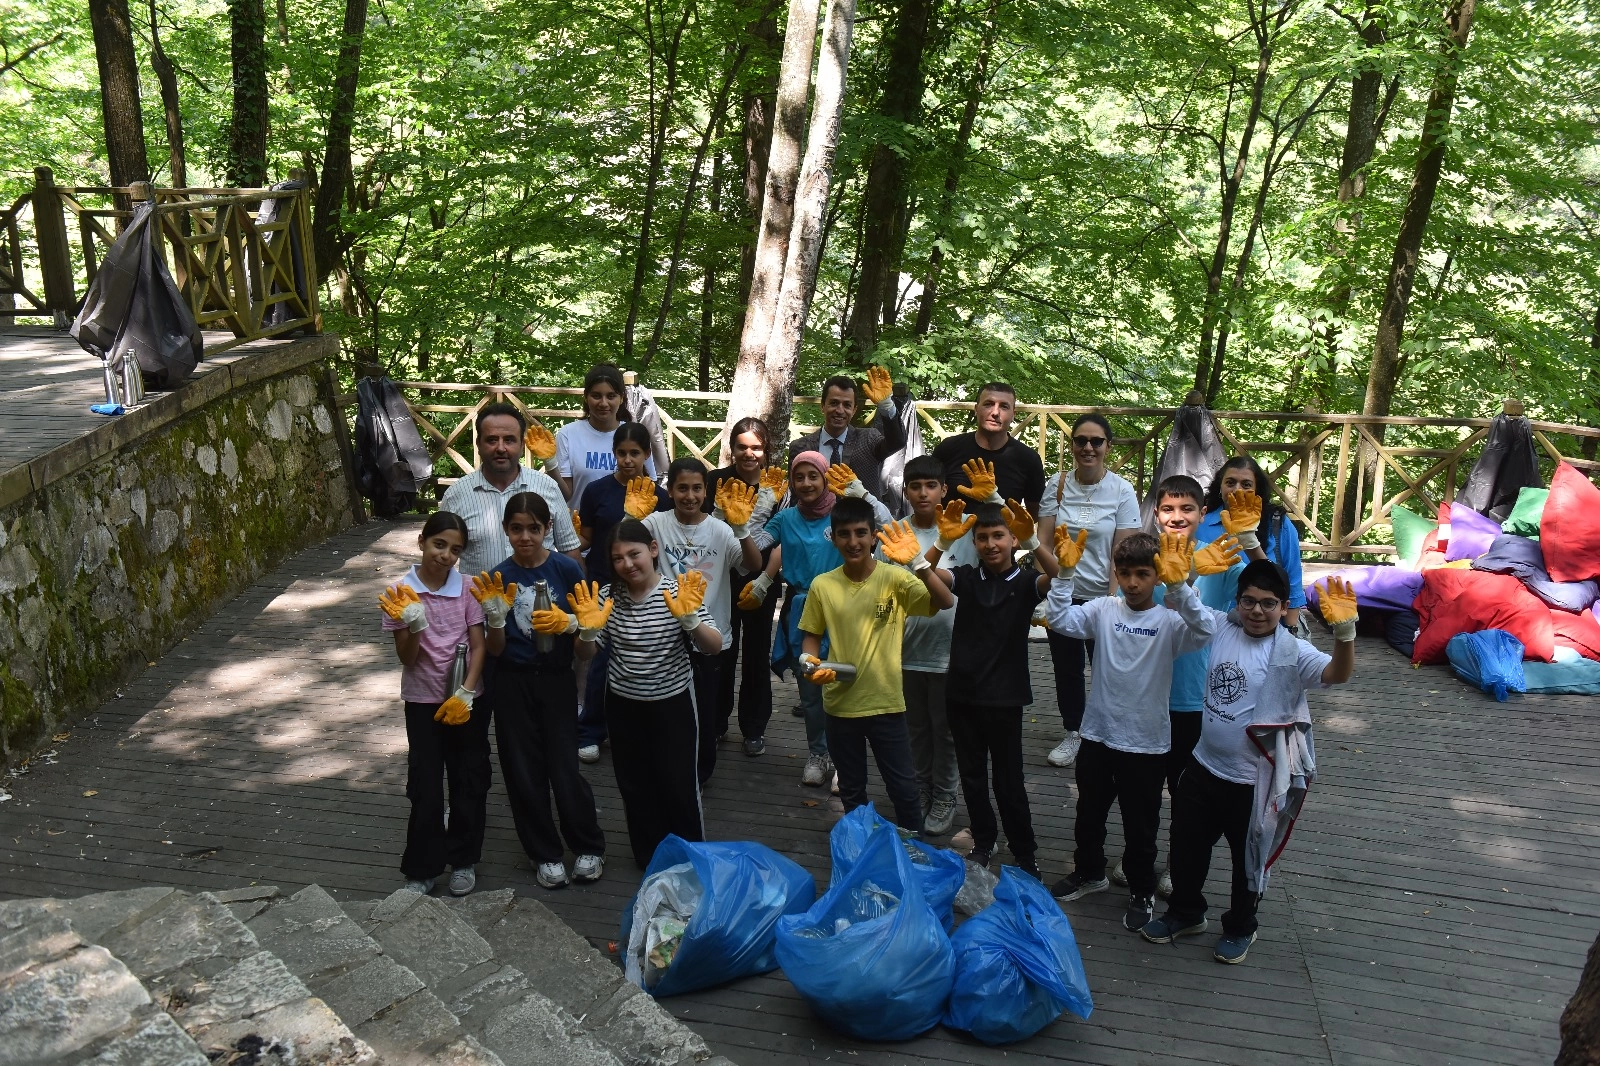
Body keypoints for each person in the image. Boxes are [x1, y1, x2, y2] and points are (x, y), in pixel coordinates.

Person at [1140, 565, 1357, 965]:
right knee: (1186, 848)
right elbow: (1186, 605)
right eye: (1249, 601)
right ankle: (1186, 912)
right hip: (1204, 766)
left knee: (1249, 860)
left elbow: (1336, 675)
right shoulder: (1223, 628)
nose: (1257, 611)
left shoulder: (1292, 652)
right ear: (1237, 602)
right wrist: (1176, 578)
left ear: (1283, 607)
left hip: (1254, 780)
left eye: (1268, 604)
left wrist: (1345, 637)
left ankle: (1241, 926)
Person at [1042, 529, 1216, 935]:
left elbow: (1205, 630)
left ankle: (1142, 890)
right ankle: (1090, 872)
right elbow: (1060, 619)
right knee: (1089, 813)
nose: (1133, 583)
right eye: (1125, 573)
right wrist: (1065, 572)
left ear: (1156, 576)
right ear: (1114, 574)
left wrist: (1180, 584)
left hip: (1147, 742)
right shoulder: (1103, 609)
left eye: (1143, 574)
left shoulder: (1171, 621)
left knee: (1142, 824)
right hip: (1098, 734)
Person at [1109, 474, 1245, 896]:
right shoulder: (1141, 558)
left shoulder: (1218, 557)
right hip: (1144, 694)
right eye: (1168, 508)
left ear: (1203, 514)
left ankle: (1177, 860)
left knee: (1185, 790)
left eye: (1187, 509)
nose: (1177, 517)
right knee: (1140, 788)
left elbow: (1254, 595)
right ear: (1155, 513)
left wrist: (1248, 537)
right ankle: (1139, 856)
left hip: (1192, 694)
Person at [561, 521, 721, 868]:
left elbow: (715, 646)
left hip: (673, 704)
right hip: (623, 705)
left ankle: (690, 857)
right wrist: (587, 632)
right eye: (617, 558)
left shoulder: (679, 591)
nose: (627, 564)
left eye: (634, 554)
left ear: (652, 549)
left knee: (679, 784)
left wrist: (691, 621)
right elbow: (585, 655)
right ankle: (648, 857)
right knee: (635, 785)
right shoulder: (606, 597)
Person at [473, 493, 606, 891]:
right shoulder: (499, 576)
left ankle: (588, 845)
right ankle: (544, 852)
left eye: (534, 528)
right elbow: (495, 650)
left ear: (548, 529)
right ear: (506, 531)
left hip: (555, 678)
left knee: (564, 765)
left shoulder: (566, 569)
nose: (526, 537)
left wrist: (581, 628)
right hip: (512, 680)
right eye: (517, 529)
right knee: (522, 768)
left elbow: (586, 650)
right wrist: (495, 620)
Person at [797, 500, 954, 829]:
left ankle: (915, 857)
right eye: (844, 534)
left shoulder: (896, 577)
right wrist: (809, 662)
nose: (853, 542)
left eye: (860, 533)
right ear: (834, 539)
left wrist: (918, 561)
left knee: (904, 789)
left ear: (873, 537)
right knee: (851, 790)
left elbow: (944, 600)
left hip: (887, 704)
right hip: (840, 705)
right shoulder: (822, 585)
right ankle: (859, 853)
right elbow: (811, 635)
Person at [740, 453, 893, 788]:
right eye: (799, 477)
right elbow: (751, 547)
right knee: (810, 691)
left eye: (813, 476)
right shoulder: (786, 518)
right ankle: (817, 753)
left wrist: (862, 495)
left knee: (846, 685)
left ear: (825, 478)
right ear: (792, 483)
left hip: (846, 606)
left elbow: (887, 527)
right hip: (802, 609)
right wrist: (760, 507)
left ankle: (844, 760)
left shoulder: (842, 516)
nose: (806, 483)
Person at [924, 499, 1055, 879]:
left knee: (1008, 779)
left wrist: (1035, 540)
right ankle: (983, 840)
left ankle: (1024, 851)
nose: (990, 543)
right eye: (982, 537)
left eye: (999, 535)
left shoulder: (1028, 581)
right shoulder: (965, 576)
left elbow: (1060, 575)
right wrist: (941, 541)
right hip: (962, 694)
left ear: (1013, 539)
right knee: (972, 775)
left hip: (1005, 697)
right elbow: (925, 573)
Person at [377, 511, 488, 898]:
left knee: (467, 778)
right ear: (422, 541)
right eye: (439, 544)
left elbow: (478, 645)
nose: (445, 555)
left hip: (463, 698)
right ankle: (422, 868)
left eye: (455, 550)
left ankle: (463, 860)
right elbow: (406, 659)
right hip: (422, 699)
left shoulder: (469, 588)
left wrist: (467, 692)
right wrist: (414, 625)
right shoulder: (400, 594)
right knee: (425, 783)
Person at [645, 457, 762, 784]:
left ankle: (699, 773)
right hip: (664, 632)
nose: (690, 495)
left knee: (703, 710)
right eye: (682, 488)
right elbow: (623, 548)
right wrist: (630, 518)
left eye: (697, 488)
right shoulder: (655, 524)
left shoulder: (721, 529)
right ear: (670, 490)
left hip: (711, 634)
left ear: (706, 492)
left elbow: (752, 565)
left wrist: (742, 529)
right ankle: (666, 765)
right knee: (666, 708)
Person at [1035, 412, 1141, 769]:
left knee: (1108, 667)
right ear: (1073, 445)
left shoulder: (1122, 490)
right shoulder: (1058, 483)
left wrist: (1114, 599)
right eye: (1081, 440)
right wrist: (1049, 592)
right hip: (1064, 593)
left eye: (1096, 441)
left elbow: (1122, 553)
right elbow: (1044, 543)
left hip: (1103, 595)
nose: (1088, 447)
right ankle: (1074, 732)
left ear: (1108, 447)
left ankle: (1109, 732)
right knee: (1067, 668)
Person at [888, 455, 976, 836]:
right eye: (915, 486)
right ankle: (921, 788)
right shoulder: (894, 533)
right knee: (915, 728)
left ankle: (946, 794)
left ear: (943, 489)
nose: (923, 493)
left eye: (930, 486)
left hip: (951, 649)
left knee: (947, 730)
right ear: (905, 491)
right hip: (906, 649)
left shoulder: (963, 530)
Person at [573, 422, 669, 763]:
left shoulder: (660, 495)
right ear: (613, 453)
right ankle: (590, 731)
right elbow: (584, 539)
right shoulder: (597, 491)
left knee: (639, 659)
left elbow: (666, 542)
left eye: (635, 453)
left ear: (646, 455)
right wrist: (565, 540)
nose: (628, 460)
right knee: (599, 661)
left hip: (645, 590)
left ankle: (631, 728)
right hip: (604, 585)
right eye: (622, 453)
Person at [704, 417, 789, 756]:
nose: (749, 453)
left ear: (765, 449)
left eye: (756, 447)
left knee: (755, 655)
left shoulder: (777, 483)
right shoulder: (716, 480)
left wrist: (766, 580)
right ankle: (716, 722)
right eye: (742, 446)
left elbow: (784, 535)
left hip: (762, 578)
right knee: (722, 649)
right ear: (732, 448)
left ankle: (754, 727)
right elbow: (706, 529)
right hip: (721, 577)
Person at [439, 403, 581, 580]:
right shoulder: (455, 496)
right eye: (491, 440)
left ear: (522, 445)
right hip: (478, 604)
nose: (500, 448)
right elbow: (439, 562)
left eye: (509, 440)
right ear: (478, 444)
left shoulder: (548, 487)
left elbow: (570, 552)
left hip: (543, 604)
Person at [1195, 456, 1306, 629]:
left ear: (1257, 490)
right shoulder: (1200, 524)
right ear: (1220, 487)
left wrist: (1291, 631)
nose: (1237, 490)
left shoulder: (1278, 524)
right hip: (1212, 625)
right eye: (1230, 483)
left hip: (1265, 625)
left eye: (1246, 485)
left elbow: (1292, 582)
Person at [788, 367, 907, 500]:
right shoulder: (801, 447)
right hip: (815, 519)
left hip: (861, 519)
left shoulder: (868, 439)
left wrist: (886, 405)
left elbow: (897, 442)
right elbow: (795, 495)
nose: (839, 410)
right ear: (823, 406)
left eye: (847, 405)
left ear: (854, 409)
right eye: (834, 403)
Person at [931, 382, 1047, 511]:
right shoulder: (948, 449)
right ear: (976, 409)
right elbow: (927, 495)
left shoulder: (1028, 459)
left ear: (1013, 414)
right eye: (988, 404)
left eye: (1004, 406)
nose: (995, 412)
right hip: (950, 530)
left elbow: (1035, 513)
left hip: (1003, 530)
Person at [553, 363, 656, 503]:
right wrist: (549, 463)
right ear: (585, 397)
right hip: (579, 523)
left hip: (626, 523)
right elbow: (565, 496)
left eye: (611, 396)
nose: (603, 403)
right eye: (596, 396)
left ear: (621, 398)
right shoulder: (567, 434)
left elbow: (650, 487)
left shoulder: (635, 435)